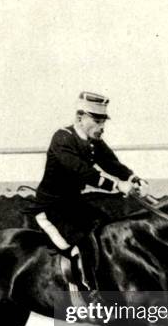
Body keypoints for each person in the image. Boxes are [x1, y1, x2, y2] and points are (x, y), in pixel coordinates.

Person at [33, 91, 148, 291]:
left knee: (107, 231)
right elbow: (83, 171)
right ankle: (89, 292)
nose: (102, 127)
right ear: (80, 117)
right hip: (52, 208)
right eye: (96, 121)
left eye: (103, 121)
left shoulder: (95, 141)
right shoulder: (62, 138)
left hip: (74, 204)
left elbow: (112, 163)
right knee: (83, 242)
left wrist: (133, 178)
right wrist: (117, 185)